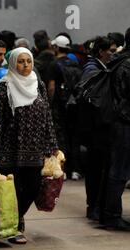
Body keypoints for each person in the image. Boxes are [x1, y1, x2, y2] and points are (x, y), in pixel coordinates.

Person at [0, 48, 58, 244]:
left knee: (33, 187)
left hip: (35, 148)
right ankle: (14, 227)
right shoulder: (3, 88)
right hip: (10, 147)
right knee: (14, 190)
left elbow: (47, 116)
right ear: (12, 64)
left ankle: (16, 219)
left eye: (28, 61)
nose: (25, 65)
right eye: (20, 61)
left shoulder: (38, 84)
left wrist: (53, 145)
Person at [99, 26, 130, 231]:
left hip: (113, 120)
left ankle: (106, 213)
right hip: (124, 122)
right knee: (120, 170)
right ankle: (112, 217)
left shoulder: (118, 59)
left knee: (113, 169)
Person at [78, 36, 114, 222]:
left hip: (93, 130)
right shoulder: (94, 70)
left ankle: (94, 206)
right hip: (96, 131)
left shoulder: (94, 68)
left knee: (96, 170)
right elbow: (94, 102)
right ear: (101, 51)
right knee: (96, 170)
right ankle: (94, 207)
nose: (113, 54)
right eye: (112, 51)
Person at [47, 35, 82, 181]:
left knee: (60, 137)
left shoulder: (54, 64)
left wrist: (49, 103)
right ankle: (76, 170)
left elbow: (51, 87)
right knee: (74, 137)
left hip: (59, 106)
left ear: (56, 47)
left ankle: (63, 169)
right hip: (74, 105)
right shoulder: (75, 64)